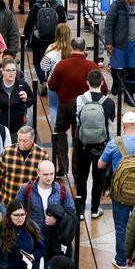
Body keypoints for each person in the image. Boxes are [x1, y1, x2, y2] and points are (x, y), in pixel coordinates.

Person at [48, 38, 108, 176]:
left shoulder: (61, 65)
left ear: (70, 47)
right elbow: (104, 88)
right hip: (84, 108)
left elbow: (51, 85)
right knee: (79, 138)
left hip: (64, 105)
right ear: (85, 48)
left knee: (60, 133)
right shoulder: (91, 66)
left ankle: (63, 165)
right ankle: (76, 172)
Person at [99, 111, 135, 269]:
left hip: (120, 194)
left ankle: (121, 260)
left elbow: (101, 164)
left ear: (123, 126)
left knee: (121, 227)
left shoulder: (115, 143)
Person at [14, 160, 75, 262]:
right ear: (38, 173)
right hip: (33, 237)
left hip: (54, 240)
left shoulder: (61, 190)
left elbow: (71, 213)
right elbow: (15, 210)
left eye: (52, 174)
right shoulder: (26, 189)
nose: (49, 177)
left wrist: (57, 220)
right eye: (45, 174)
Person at [73, 69, 114, 218]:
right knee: (99, 178)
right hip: (101, 145)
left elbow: (76, 121)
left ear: (87, 83)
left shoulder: (79, 100)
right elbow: (110, 122)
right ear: (102, 83)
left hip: (82, 143)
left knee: (82, 177)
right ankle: (95, 210)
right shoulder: (108, 102)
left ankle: (81, 211)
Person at [0, 126, 49, 211]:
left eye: (25, 141)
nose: (21, 143)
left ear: (32, 140)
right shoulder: (7, 152)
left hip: (31, 204)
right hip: (9, 202)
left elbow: (46, 179)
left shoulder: (42, 154)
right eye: (19, 140)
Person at [105, 0, 135, 106]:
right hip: (119, 43)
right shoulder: (117, 5)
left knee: (133, 70)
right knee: (117, 68)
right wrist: (109, 42)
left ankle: (129, 94)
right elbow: (109, 24)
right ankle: (116, 82)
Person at [40, 24, 71, 125]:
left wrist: (51, 68)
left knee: (53, 106)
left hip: (53, 83)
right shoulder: (72, 49)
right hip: (67, 84)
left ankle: (56, 129)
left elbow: (43, 66)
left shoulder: (52, 49)